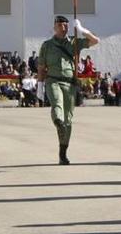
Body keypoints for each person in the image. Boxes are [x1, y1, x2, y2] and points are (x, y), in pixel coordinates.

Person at [37, 15, 99, 165]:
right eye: (60, 25)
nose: (64, 28)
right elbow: (41, 67)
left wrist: (82, 30)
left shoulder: (74, 42)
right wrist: (40, 85)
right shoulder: (47, 45)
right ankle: (57, 121)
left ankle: (63, 152)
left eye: (66, 25)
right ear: (55, 27)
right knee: (57, 105)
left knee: (68, 120)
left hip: (70, 84)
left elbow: (95, 41)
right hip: (53, 80)